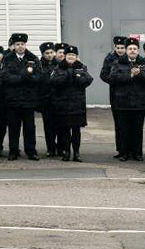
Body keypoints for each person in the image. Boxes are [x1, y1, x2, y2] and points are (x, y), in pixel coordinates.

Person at [48, 45, 93, 162]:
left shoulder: (81, 67)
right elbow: (52, 81)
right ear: (65, 56)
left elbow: (88, 80)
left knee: (76, 131)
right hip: (63, 105)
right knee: (64, 131)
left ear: (76, 56)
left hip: (77, 105)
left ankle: (76, 153)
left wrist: (77, 76)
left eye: (73, 55)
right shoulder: (59, 68)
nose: (71, 57)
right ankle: (66, 152)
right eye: (69, 55)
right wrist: (67, 75)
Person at [108, 39, 145, 162]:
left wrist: (139, 74)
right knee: (124, 129)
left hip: (138, 103)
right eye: (130, 49)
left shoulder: (143, 63)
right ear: (126, 51)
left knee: (137, 129)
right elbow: (112, 78)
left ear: (138, 51)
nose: (132, 51)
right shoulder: (117, 63)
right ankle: (124, 153)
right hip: (122, 102)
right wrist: (129, 75)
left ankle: (137, 153)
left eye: (135, 49)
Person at [2, 33, 41, 161]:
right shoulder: (7, 59)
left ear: (25, 45)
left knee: (29, 127)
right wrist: (22, 77)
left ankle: (31, 151)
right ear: (13, 45)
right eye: (17, 44)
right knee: (14, 127)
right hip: (13, 99)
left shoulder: (33, 58)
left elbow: (39, 77)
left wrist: (30, 78)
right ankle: (13, 151)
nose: (20, 47)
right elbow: (5, 77)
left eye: (22, 44)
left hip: (28, 100)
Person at [100, 36, 127, 159]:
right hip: (116, 94)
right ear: (114, 47)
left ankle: (131, 149)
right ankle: (121, 150)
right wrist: (113, 80)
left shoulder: (132, 58)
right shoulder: (110, 59)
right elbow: (103, 74)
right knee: (119, 124)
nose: (120, 50)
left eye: (122, 48)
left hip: (132, 94)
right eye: (118, 48)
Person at [37, 42, 59, 157]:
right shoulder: (39, 66)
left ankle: (60, 148)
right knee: (48, 126)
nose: (50, 55)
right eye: (47, 53)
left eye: (51, 52)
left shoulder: (59, 64)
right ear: (43, 54)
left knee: (59, 126)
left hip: (58, 100)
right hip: (46, 100)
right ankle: (50, 148)